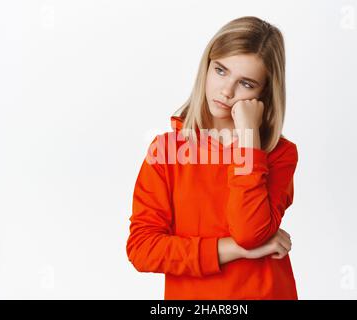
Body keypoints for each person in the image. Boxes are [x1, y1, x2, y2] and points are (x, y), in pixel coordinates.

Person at [126, 16, 299, 300]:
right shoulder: (166, 151)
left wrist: (248, 139)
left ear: (264, 93)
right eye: (220, 70)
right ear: (206, 67)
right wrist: (236, 250)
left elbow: (249, 231)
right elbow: (143, 249)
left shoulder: (278, 153)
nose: (227, 91)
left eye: (246, 83)